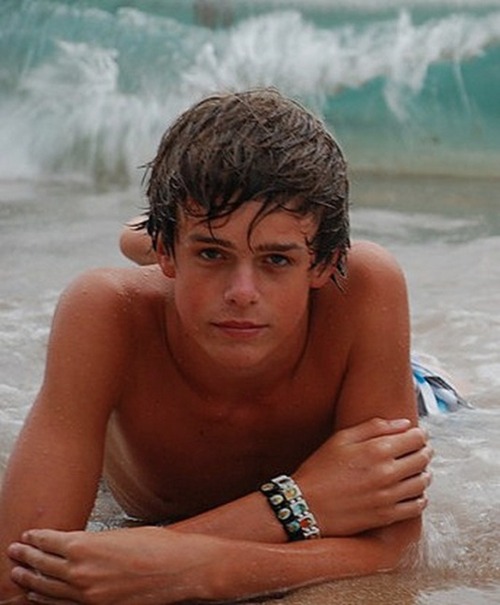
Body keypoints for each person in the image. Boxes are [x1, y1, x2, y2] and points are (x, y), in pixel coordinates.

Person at [0, 88, 435, 605]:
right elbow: (18, 581)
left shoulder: (360, 285)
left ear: (322, 264)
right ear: (165, 253)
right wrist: (296, 501)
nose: (242, 294)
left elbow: (399, 552)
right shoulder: (107, 313)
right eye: (212, 253)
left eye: (277, 260)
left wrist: (210, 569)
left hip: (424, 390)